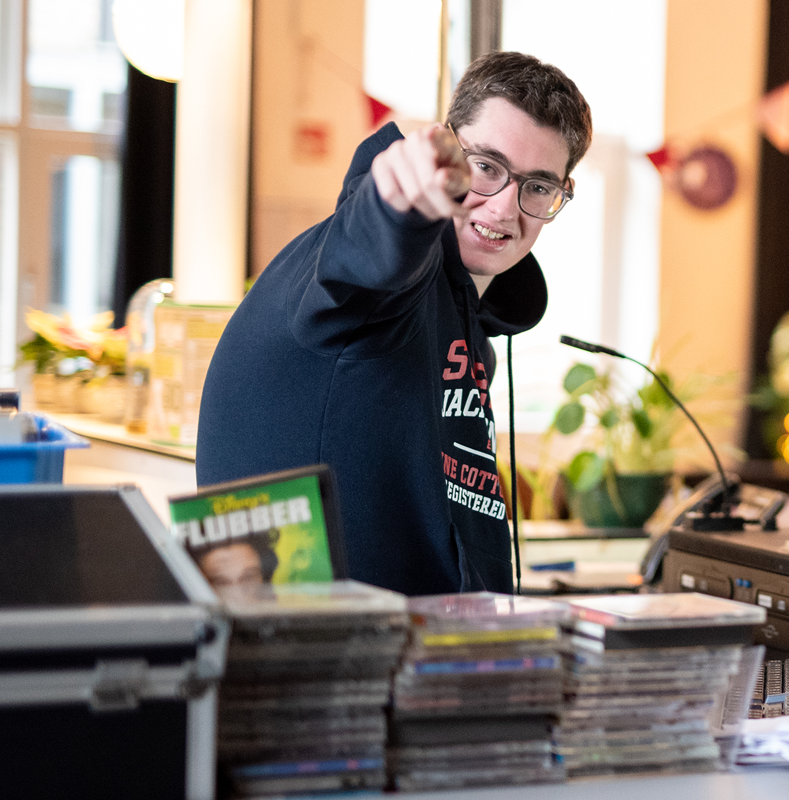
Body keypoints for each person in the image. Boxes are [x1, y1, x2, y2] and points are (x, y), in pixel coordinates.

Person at [197, 52, 592, 595]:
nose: (504, 208)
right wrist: (398, 203)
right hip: (314, 637)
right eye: (486, 167)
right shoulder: (380, 286)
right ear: (447, 151)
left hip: (427, 639)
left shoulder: (470, 327)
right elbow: (369, 255)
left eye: (539, 187)